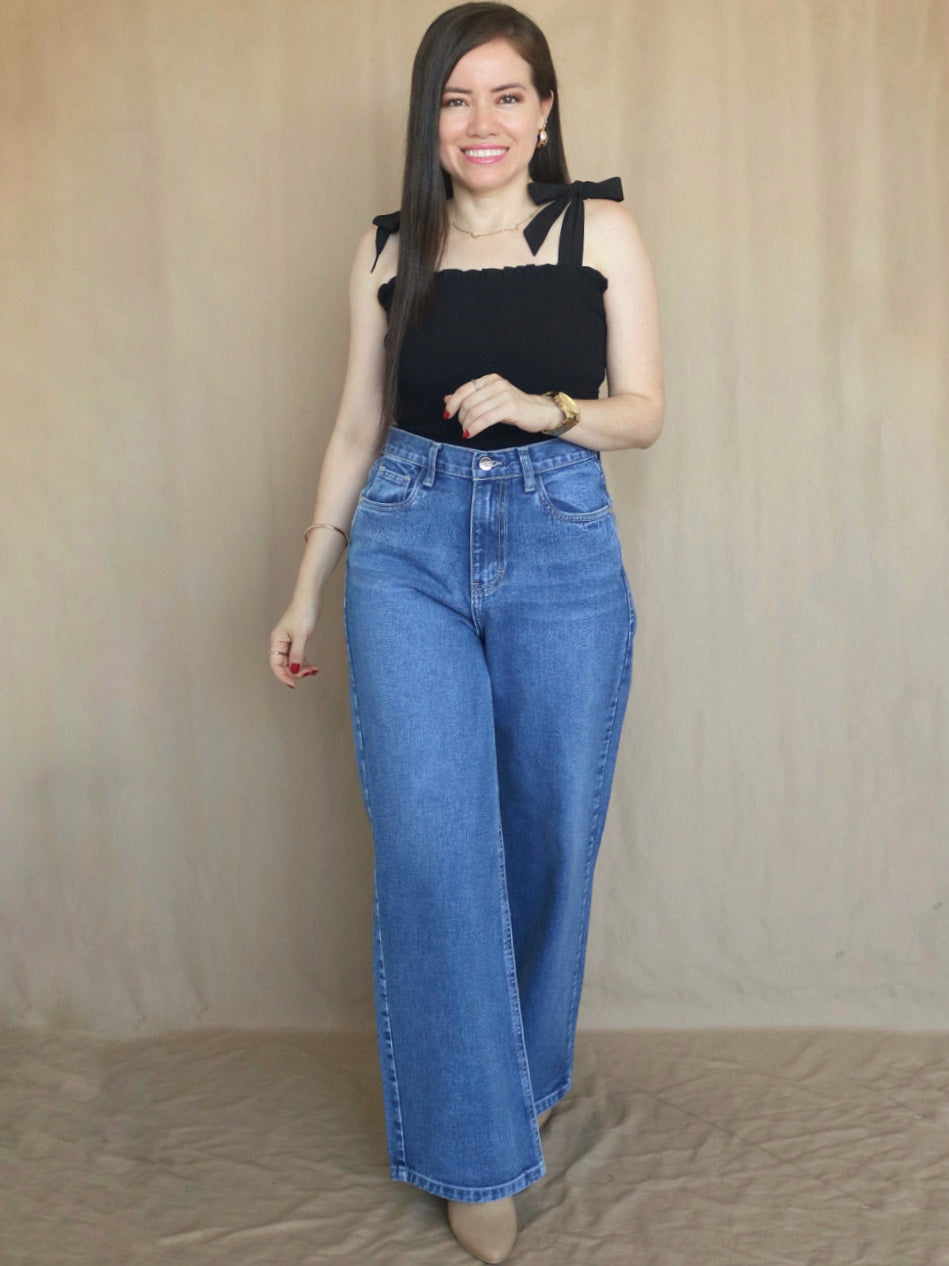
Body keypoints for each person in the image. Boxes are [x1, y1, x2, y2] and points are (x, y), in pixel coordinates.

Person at [269, 3, 663, 1260]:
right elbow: (354, 426)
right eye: (454, 98)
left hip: (559, 545)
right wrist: (306, 581)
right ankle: (474, 1152)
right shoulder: (388, 248)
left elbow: (645, 411)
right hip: (406, 547)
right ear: (428, 118)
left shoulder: (600, 230)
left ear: (544, 113)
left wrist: (547, 410)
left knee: (548, 840)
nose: (480, 122)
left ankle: (519, 1078)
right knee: (435, 853)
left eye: (506, 95)